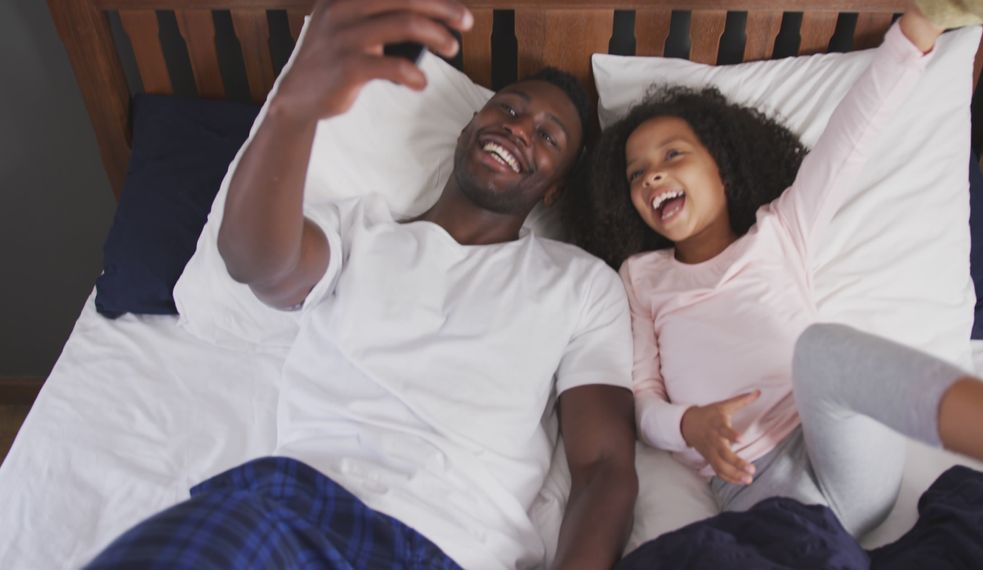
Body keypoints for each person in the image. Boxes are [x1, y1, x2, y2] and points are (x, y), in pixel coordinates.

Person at [86, 1, 637, 569]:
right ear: (469, 128)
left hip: (454, 542)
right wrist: (294, 110)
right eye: (508, 109)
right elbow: (258, 265)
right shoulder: (358, 229)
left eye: (549, 136)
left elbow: (604, 470)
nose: (519, 128)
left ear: (553, 191)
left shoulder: (582, 285)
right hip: (294, 509)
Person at [570, 6, 983, 539]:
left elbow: (850, 139)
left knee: (823, 349)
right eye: (637, 173)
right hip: (752, 492)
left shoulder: (778, 230)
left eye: (674, 154)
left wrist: (919, 31)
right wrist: (687, 425)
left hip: (838, 453)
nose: (654, 174)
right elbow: (643, 398)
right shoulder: (641, 277)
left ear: (721, 168)